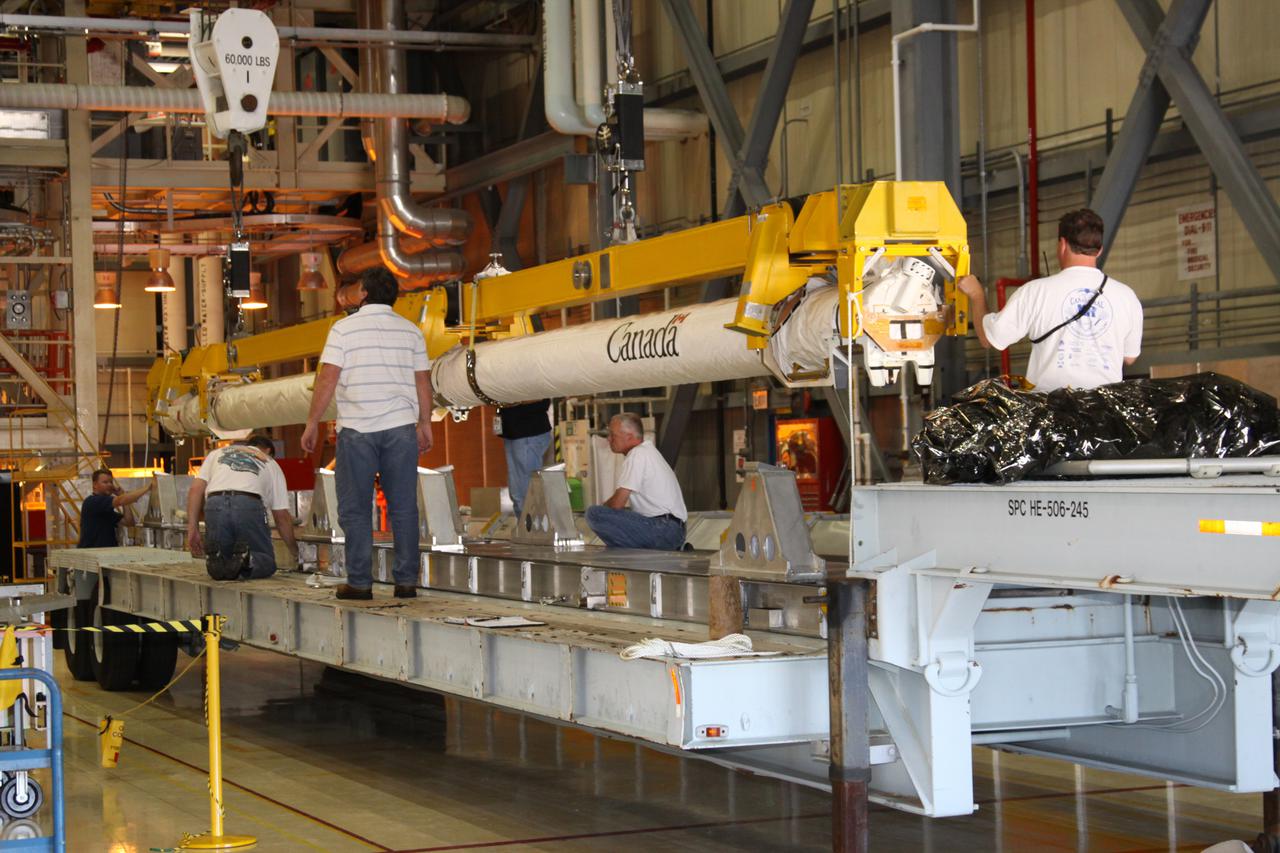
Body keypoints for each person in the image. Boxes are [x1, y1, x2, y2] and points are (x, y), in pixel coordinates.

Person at [301, 268, 433, 601]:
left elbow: (328, 378)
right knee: (404, 507)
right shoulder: (411, 332)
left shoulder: (343, 330)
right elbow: (422, 382)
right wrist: (425, 422)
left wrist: (313, 422)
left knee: (356, 509)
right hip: (401, 428)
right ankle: (406, 582)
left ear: (363, 294)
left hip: (357, 430)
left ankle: (360, 583)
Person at [957, 208, 1144, 392]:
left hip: (1052, 412)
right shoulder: (1126, 296)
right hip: (1104, 413)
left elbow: (990, 338)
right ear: (1099, 250)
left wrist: (977, 295)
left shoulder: (1035, 292)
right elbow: (1129, 357)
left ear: (1062, 244)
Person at [186, 435, 299, 581]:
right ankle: (248, 560)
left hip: (215, 503)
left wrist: (192, 528)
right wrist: (295, 551)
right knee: (266, 562)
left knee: (228, 566)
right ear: (268, 451)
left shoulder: (217, 454)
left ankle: (217, 560)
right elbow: (281, 517)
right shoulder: (270, 462)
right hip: (248, 504)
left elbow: (195, 490)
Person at [584, 413, 686, 550]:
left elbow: (617, 504)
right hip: (672, 529)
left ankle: (621, 552)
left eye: (613, 435)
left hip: (664, 529)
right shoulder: (648, 452)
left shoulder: (637, 454)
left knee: (594, 514)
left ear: (629, 436)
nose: (609, 439)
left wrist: (604, 508)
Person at [497, 399, 552, 516]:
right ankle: (525, 528)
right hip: (514, 432)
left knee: (525, 492)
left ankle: (532, 530)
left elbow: (541, 397)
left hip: (528, 432)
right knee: (517, 492)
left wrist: (512, 402)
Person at [78, 469, 150, 548]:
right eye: (105, 482)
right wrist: (147, 487)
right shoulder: (93, 502)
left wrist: (123, 498)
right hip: (93, 553)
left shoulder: (105, 509)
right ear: (95, 485)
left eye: (111, 482)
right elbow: (121, 500)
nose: (110, 485)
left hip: (105, 553)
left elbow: (129, 522)